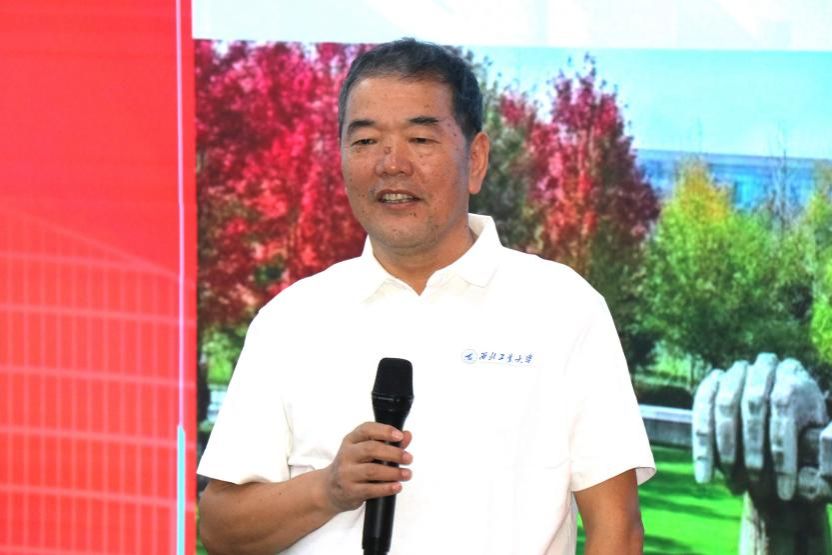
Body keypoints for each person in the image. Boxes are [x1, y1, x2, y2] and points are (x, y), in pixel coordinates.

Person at [197, 38, 655, 555]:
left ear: (475, 159)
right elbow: (220, 528)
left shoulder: (563, 308)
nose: (391, 164)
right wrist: (328, 489)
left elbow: (617, 530)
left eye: (419, 138)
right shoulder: (290, 319)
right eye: (365, 140)